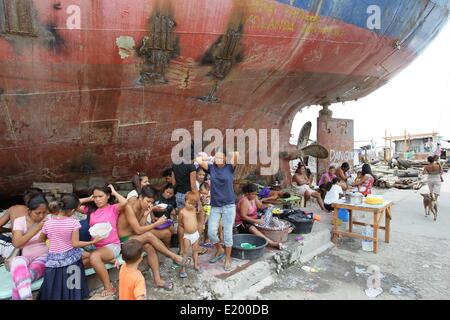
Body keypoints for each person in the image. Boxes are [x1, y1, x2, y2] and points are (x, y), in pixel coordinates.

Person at [117, 185, 190, 291]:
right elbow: (138, 230)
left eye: (151, 202)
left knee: (150, 247)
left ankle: (158, 280)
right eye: (148, 201)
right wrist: (157, 223)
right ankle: (174, 257)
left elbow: (141, 225)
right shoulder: (130, 207)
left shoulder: (143, 207)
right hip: (124, 241)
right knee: (149, 236)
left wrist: (146, 214)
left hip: (134, 237)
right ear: (141, 197)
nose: (149, 204)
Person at [39, 194, 101, 300]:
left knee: (55, 288)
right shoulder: (73, 223)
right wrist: (93, 241)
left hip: (53, 262)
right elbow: (75, 244)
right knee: (73, 287)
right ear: (72, 211)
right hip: (72, 262)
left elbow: (42, 239)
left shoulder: (48, 222)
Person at [79, 184, 127, 297]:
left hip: (112, 246)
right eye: (95, 197)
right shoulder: (90, 210)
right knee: (79, 263)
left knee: (94, 257)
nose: (97, 199)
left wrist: (114, 192)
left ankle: (109, 287)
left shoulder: (113, 208)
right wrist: (88, 199)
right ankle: (108, 260)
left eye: (100, 196)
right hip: (95, 247)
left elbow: (125, 203)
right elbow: (72, 204)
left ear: (108, 196)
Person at [196, 149, 239, 272]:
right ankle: (219, 249)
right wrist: (210, 158)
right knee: (211, 233)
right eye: (217, 157)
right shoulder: (211, 168)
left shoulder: (230, 168)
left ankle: (227, 258)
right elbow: (198, 160)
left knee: (227, 234)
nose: (218, 159)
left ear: (225, 159)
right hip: (215, 206)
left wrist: (226, 156)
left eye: (221, 157)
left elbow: (236, 154)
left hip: (229, 206)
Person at [10, 194, 48, 300]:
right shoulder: (20, 221)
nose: (41, 216)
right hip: (26, 256)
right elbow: (17, 243)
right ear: (29, 210)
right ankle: (27, 297)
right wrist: (37, 228)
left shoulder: (49, 220)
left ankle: (26, 297)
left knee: (23, 275)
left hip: (44, 257)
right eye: (37, 213)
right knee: (17, 262)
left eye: (44, 212)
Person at [235, 183, 285, 250]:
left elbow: (260, 206)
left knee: (268, 217)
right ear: (247, 194)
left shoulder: (254, 197)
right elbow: (243, 216)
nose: (254, 195)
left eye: (255, 194)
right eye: (253, 194)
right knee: (253, 228)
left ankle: (273, 235)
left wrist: (267, 205)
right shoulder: (244, 201)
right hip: (242, 222)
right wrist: (255, 221)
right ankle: (272, 243)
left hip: (253, 218)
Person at [178, 191, 202, 278]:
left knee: (195, 251)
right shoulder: (182, 212)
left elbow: (199, 216)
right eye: (189, 203)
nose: (190, 205)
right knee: (185, 252)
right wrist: (185, 228)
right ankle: (183, 269)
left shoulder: (194, 210)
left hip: (195, 234)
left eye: (193, 204)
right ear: (185, 201)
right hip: (187, 235)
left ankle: (195, 265)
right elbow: (180, 222)